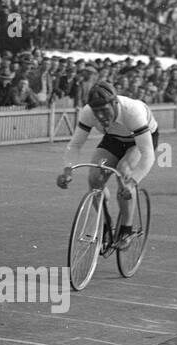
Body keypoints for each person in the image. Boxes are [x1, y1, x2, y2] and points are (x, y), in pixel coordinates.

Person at [56, 81, 157, 245]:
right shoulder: (88, 112)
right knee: (95, 177)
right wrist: (67, 170)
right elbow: (75, 145)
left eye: (104, 110)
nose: (101, 116)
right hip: (114, 138)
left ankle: (126, 229)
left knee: (124, 171)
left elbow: (148, 154)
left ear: (115, 103)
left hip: (140, 141)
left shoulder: (132, 111)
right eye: (97, 112)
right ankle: (106, 225)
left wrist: (132, 182)